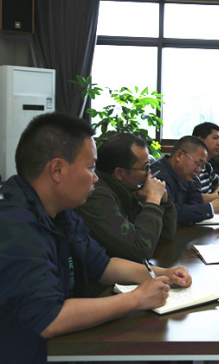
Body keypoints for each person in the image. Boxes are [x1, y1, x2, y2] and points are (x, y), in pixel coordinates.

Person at [0, 113, 191, 364]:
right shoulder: (15, 227)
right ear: (57, 170)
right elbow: (49, 318)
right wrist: (135, 299)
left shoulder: (60, 212)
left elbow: (101, 264)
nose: (96, 177)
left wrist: (160, 273)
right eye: (91, 168)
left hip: (67, 344)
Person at [75, 133, 177, 261]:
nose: (149, 174)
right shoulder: (96, 196)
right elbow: (140, 249)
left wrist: (165, 201)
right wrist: (153, 201)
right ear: (119, 173)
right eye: (145, 168)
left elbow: (165, 235)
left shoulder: (126, 189)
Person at [150, 135, 219, 225]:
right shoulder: (158, 177)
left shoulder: (185, 174)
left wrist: (195, 210)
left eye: (202, 166)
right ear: (179, 155)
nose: (199, 170)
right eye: (198, 163)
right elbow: (168, 214)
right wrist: (210, 208)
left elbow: (196, 202)